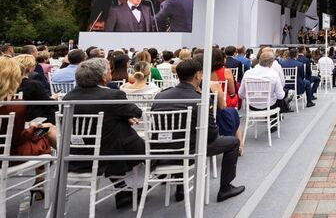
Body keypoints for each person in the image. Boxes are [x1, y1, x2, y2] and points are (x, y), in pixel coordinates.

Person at [153, 58, 245, 202]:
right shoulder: (200, 100)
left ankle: (181, 187)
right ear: (197, 75)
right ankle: (225, 188)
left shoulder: (160, 96)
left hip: (161, 150)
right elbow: (212, 134)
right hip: (190, 150)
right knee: (233, 142)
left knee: (182, 136)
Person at [63, 58, 144, 209]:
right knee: (126, 133)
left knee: (113, 125)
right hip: (108, 154)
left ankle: (122, 188)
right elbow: (137, 112)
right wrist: (125, 117)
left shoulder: (67, 98)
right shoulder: (112, 96)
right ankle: (162, 170)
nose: (111, 72)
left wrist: (121, 117)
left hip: (75, 153)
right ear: (103, 77)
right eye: (109, 70)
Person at [0, 57, 56, 204]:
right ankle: (41, 181)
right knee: (43, 137)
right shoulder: (15, 106)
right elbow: (18, 139)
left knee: (45, 130)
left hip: (8, 148)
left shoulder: (13, 106)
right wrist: (32, 128)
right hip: (10, 154)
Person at [239, 50, 288, 122]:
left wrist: (251, 97)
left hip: (252, 106)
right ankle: (274, 120)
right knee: (278, 97)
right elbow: (280, 96)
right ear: (271, 63)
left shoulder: (247, 73)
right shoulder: (273, 74)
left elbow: (241, 94)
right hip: (270, 106)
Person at [14, 55, 58, 123]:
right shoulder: (34, 84)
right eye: (34, 65)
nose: (35, 66)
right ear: (30, 68)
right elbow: (47, 103)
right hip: (35, 119)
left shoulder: (9, 84)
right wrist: (53, 99)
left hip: (16, 118)